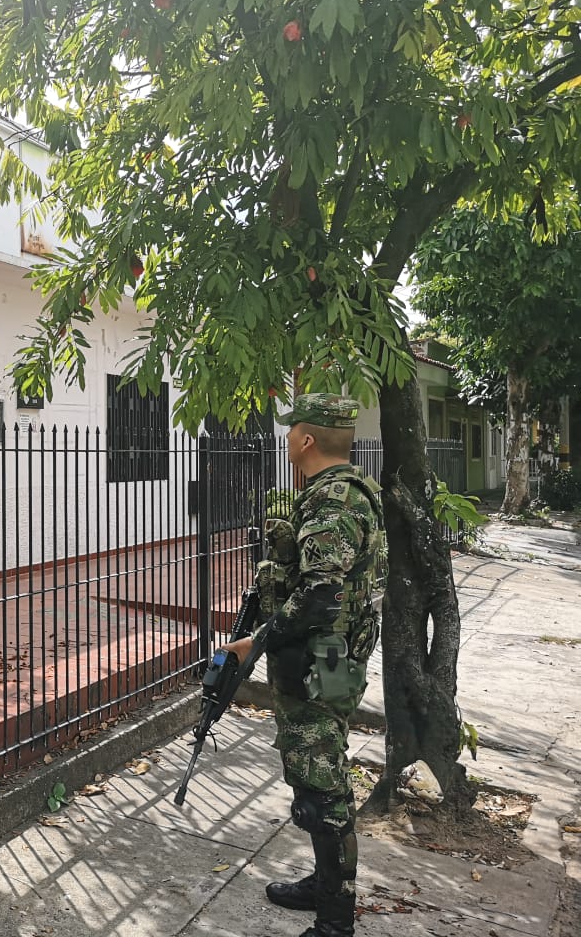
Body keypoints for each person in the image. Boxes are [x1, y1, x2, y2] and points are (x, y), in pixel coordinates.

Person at [223, 394, 386, 937]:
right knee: (318, 775)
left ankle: (335, 922)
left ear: (307, 439)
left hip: (321, 661)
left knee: (323, 789)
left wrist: (255, 642)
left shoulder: (333, 503)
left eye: (292, 429)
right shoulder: (338, 492)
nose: (287, 438)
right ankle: (325, 883)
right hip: (323, 658)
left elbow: (320, 596)